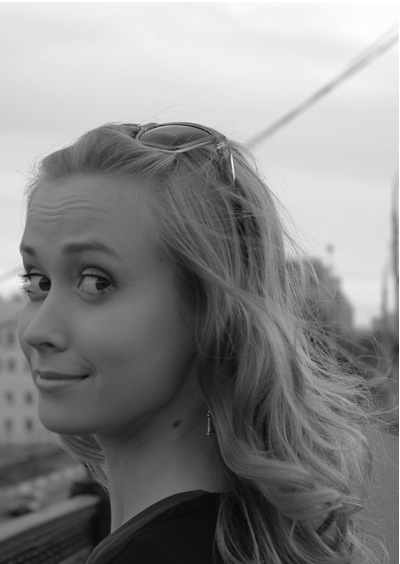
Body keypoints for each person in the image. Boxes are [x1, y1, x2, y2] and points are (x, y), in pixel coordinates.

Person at [17, 122, 384, 564]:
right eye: (37, 282)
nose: (38, 331)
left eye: (95, 282)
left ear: (211, 312)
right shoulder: (249, 535)